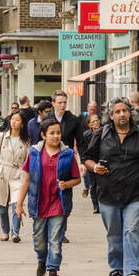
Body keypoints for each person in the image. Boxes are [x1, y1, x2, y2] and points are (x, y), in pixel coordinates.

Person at [83, 98, 139, 276]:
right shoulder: (101, 134)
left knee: (131, 230)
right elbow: (87, 158)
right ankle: (116, 269)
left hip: (135, 192)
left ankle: (131, 271)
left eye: (124, 111)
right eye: (117, 112)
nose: (122, 114)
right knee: (114, 233)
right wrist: (95, 168)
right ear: (110, 116)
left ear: (130, 113)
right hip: (108, 193)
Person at [16, 118, 80, 276]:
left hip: (59, 202)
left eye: (58, 133)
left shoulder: (68, 154)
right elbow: (27, 180)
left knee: (55, 240)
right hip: (38, 202)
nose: (56, 136)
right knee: (39, 239)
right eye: (52, 133)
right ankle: (41, 259)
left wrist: (66, 184)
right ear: (43, 135)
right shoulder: (34, 153)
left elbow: (77, 179)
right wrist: (18, 204)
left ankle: (53, 271)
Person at [0, 111, 30, 243]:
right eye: (12, 119)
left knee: (17, 204)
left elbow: (28, 159)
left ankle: (15, 233)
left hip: (18, 174)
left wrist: (25, 174)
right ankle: (5, 231)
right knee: (2, 206)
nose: (14, 122)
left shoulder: (26, 140)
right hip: (2, 172)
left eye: (17, 120)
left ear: (22, 123)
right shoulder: (1, 136)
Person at [49, 91, 83, 243]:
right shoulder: (47, 119)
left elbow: (81, 142)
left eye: (64, 102)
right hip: (49, 161)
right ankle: (52, 229)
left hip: (67, 161)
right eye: (60, 102)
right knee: (50, 195)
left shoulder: (73, 120)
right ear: (53, 103)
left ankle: (61, 231)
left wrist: (82, 162)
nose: (62, 105)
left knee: (65, 198)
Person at [82, 113, 103, 213]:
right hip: (91, 161)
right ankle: (96, 206)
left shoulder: (104, 131)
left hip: (102, 160)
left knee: (102, 183)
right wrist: (85, 162)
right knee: (93, 184)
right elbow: (84, 149)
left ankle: (103, 204)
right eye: (93, 121)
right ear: (89, 125)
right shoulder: (86, 135)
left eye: (97, 120)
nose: (96, 123)